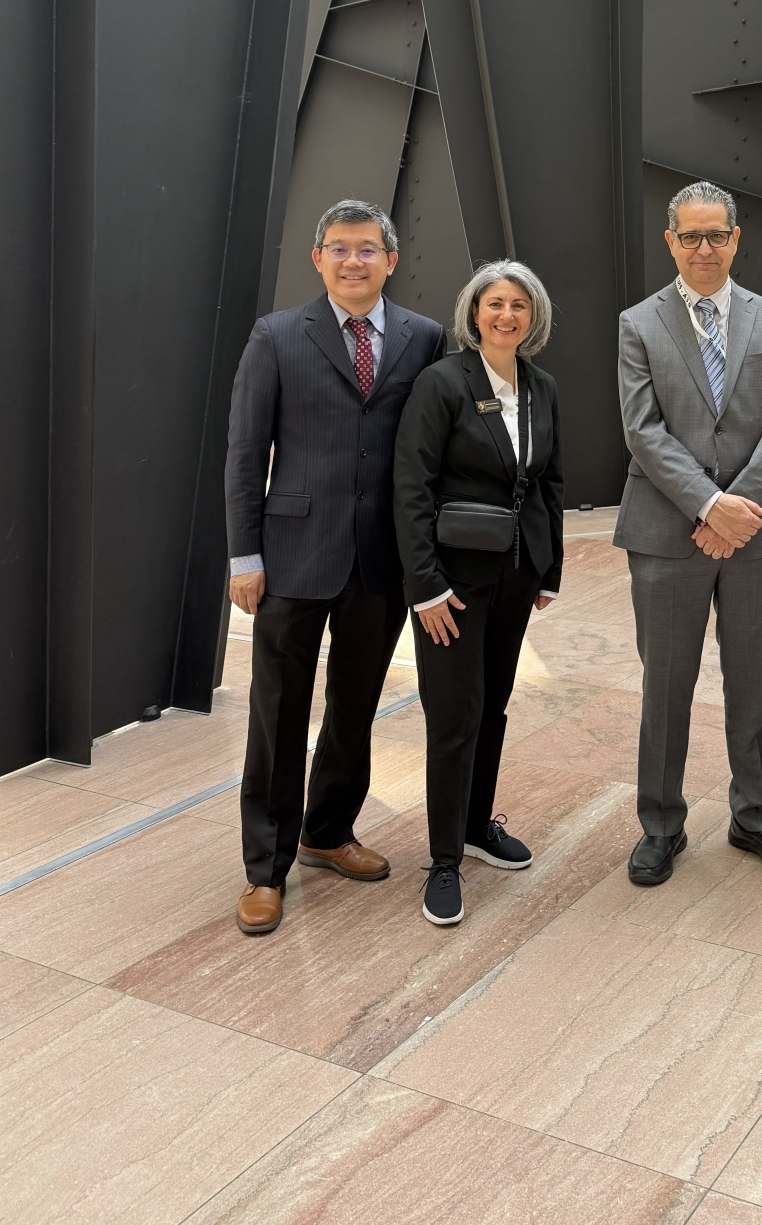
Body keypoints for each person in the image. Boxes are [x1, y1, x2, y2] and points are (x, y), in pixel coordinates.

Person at [226, 199, 445, 936]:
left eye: (367, 249)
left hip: (379, 559)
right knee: (279, 714)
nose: (354, 262)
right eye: (340, 249)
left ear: (390, 259)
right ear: (318, 259)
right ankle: (266, 867)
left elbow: (433, 451)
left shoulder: (425, 338)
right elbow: (245, 453)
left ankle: (327, 831)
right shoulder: (277, 336)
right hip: (292, 556)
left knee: (356, 708)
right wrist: (244, 555)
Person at [614, 181, 762, 886]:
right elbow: (643, 430)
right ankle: (661, 827)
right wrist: (706, 505)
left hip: (759, 534)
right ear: (670, 240)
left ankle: (755, 817)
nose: (704, 248)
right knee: (666, 687)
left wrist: (738, 507)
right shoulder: (638, 324)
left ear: (736, 238)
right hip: (668, 535)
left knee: (751, 685)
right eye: (690, 236)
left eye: (716, 235)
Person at [394, 261, 563, 927]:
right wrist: (425, 588)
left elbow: (550, 481)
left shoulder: (541, 386)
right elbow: (410, 488)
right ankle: (442, 861)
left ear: (533, 317)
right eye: (495, 303)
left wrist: (548, 568)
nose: (507, 315)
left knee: (492, 707)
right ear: (473, 313)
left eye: (519, 304)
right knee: (453, 714)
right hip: (453, 585)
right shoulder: (443, 383)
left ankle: (474, 826)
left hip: (516, 575)